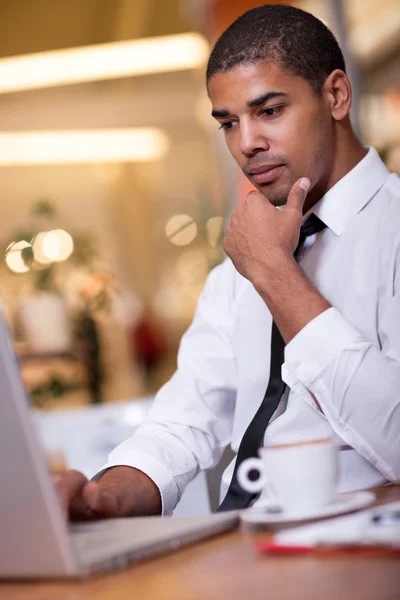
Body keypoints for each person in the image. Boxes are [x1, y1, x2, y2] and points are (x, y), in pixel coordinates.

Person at [58, 4, 400, 519]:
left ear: (335, 95)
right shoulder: (239, 266)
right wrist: (102, 498)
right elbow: (182, 423)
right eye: (228, 123)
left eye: (269, 111)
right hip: (237, 547)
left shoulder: (385, 232)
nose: (247, 145)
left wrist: (276, 276)